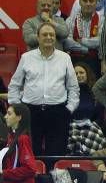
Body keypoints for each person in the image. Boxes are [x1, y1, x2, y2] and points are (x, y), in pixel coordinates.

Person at [8, 23, 79, 158]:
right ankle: (34, 179)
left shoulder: (65, 58)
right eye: (45, 35)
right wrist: (18, 108)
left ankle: (53, 178)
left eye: (51, 35)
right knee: (30, 152)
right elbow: (14, 85)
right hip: (30, 112)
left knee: (57, 153)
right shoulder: (26, 57)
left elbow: (73, 88)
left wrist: (69, 108)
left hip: (58, 112)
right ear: (38, 37)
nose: (49, 37)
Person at [1, 103, 37, 183]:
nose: (5, 117)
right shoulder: (11, 138)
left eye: (9, 114)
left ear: (19, 117)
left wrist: (3, 173)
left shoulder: (22, 139)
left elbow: (30, 169)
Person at [64, 0, 103, 77]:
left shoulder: (102, 19)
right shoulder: (71, 20)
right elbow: (67, 42)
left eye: (91, 1)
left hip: (94, 61)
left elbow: (100, 41)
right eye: (85, 1)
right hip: (75, 60)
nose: (88, 4)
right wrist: (85, 49)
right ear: (80, 2)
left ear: (96, 2)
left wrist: (81, 40)